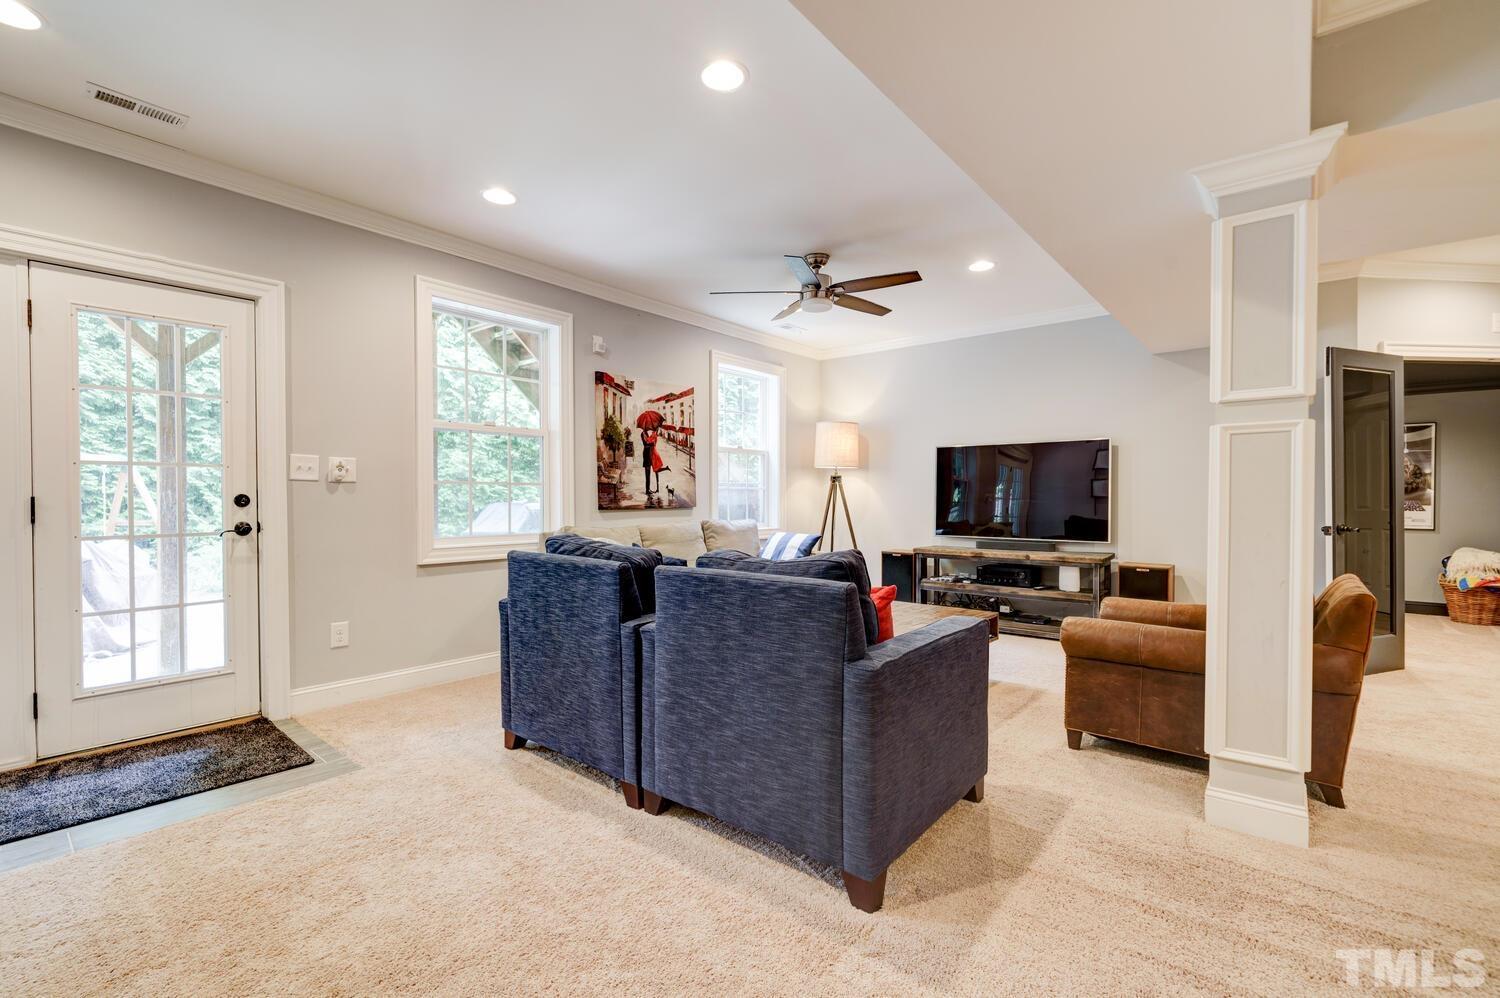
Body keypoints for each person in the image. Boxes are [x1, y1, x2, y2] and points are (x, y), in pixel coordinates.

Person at [640, 427, 670, 494]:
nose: (648, 428)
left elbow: (649, 441)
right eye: (646, 426)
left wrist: (652, 443)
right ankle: (647, 490)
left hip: (650, 455)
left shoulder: (646, 433)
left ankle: (648, 489)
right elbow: (645, 444)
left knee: (649, 473)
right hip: (646, 455)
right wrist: (652, 444)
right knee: (647, 474)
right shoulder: (642, 434)